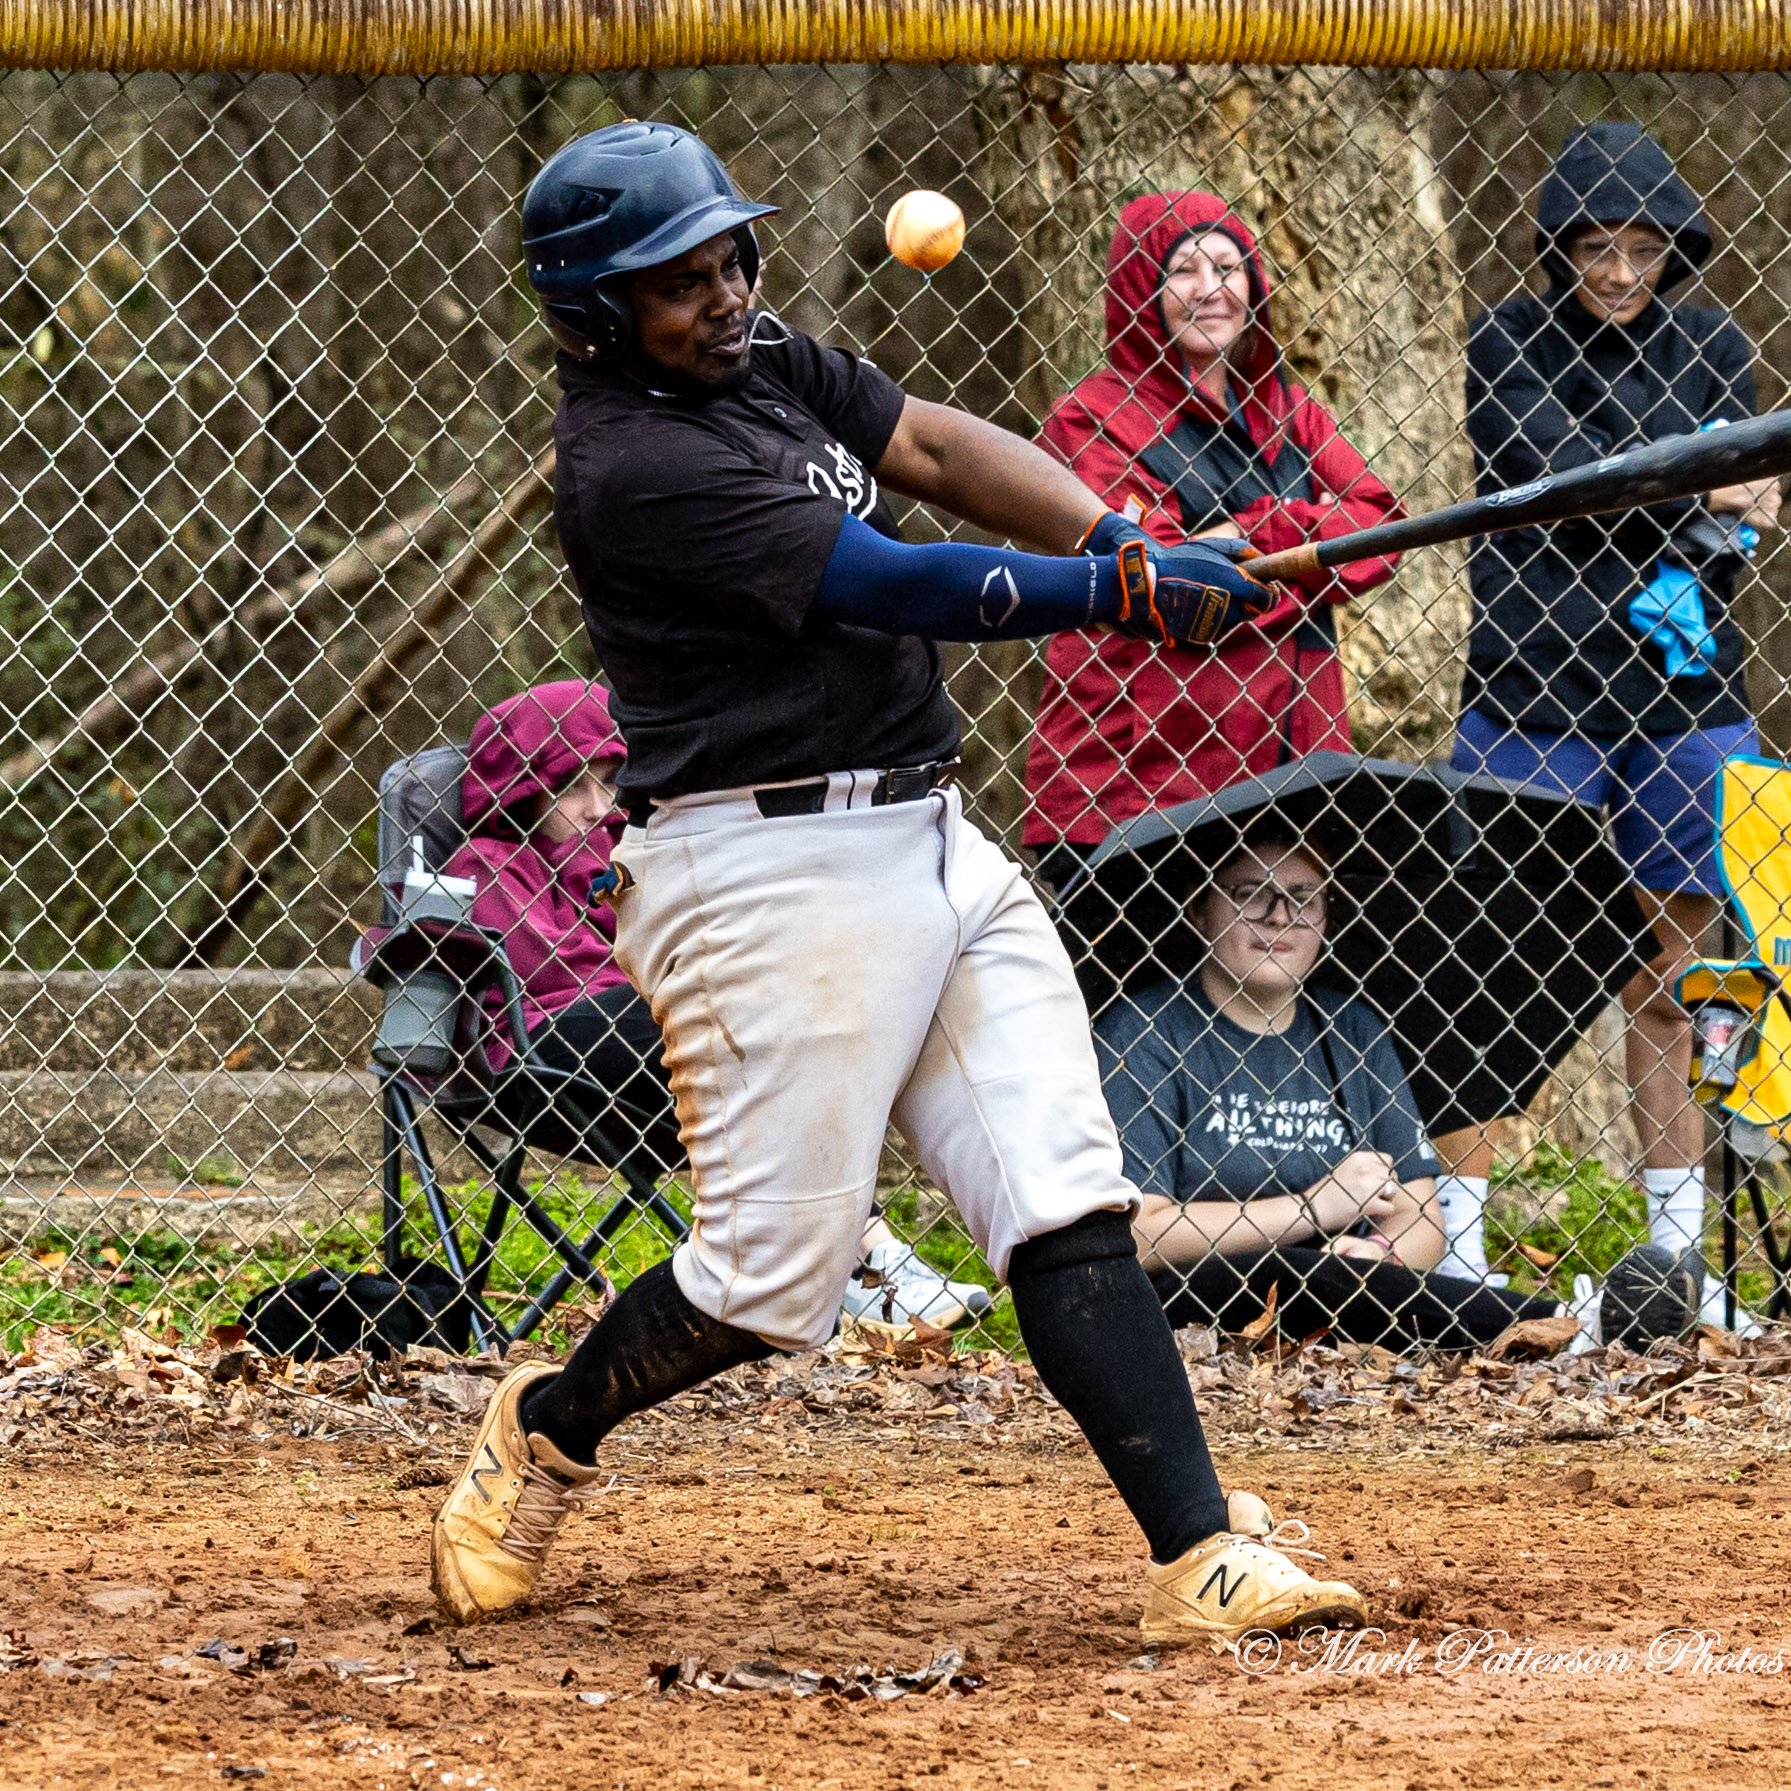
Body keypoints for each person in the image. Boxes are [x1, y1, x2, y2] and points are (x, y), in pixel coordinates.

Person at [427, 120, 1366, 1647]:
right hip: (761, 876)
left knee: (1062, 1196)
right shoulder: (634, 464)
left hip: (930, 836)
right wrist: (1116, 596)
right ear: (595, 311)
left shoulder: (761, 354)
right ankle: (552, 1415)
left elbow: (932, 448)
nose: (726, 291)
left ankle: (1200, 1554)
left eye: (732, 255)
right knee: (763, 1281)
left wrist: (1121, 534)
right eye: (678, 282)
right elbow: (882, 574)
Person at [1438, 123, 1786, 1322]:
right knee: (1492, 963)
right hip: (1534, 686)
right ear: (1559, 248)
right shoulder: (1507, 339)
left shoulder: (1715, 346)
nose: (1622, 273)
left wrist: (1723, 504)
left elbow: (1731, 525)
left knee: (1675, 978)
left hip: (1681, 692)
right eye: (1596, 247)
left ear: (1675, 249)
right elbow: (1560, 477)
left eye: (1645, 249)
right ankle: (1456, 1260)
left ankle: (1677, 1267)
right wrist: (1705, 480)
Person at [442, 677, 993, 1334]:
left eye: (608, 782)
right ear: (523, 792)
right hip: (549, 1045)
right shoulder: (491, 864)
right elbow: (557, 967)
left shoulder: (643, 848)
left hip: (672, 1040)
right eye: (569, 787)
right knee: (748, 1015)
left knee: (790, 1030)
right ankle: (858, 1263)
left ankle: (845, 1260)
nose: (596, 807)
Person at [1096, 824, 1701, 1353]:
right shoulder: (1147, 1030)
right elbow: (1142, 1232)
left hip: (1352, 1290)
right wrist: (1314, 1210)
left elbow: (1423, 1219)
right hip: (1190, 1288)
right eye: (1251, 895)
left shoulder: (1353, 1028)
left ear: (1327, 920)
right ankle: (1573, 1327)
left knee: (1334, 1277)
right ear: (1201, 909)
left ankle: (1569, 1329)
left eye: (1304, 900)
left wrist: (1380, 1257)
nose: (1280, 917)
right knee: (1298, 1270)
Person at [1021, 191, 1404, 888]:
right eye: (1183, 270)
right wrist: (1310, 538)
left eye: (1228, 267)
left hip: (1289, 761)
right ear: (1141, 285)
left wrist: (1250, 534)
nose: (1211, 290)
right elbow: (1166, 585)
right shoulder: (1093, 418)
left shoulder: (1291, 409)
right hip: (1132, 779)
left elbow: (1381, 524)